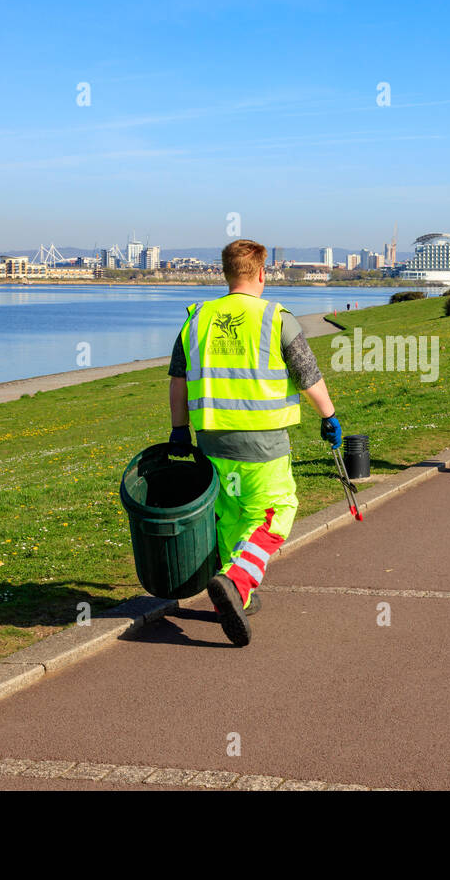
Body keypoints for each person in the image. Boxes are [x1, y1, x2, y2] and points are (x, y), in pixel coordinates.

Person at [167, 239, 342, 646]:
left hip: (211, 442)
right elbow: (308, 376)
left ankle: (235, 597)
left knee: (230, 516)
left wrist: (179, 430)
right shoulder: (275, 317)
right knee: (276, 511)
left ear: (226, 273)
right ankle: (237, 580)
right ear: (262, 273)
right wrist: (330, 417)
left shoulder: (196, 319)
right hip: (262, 443)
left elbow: (178, 380)